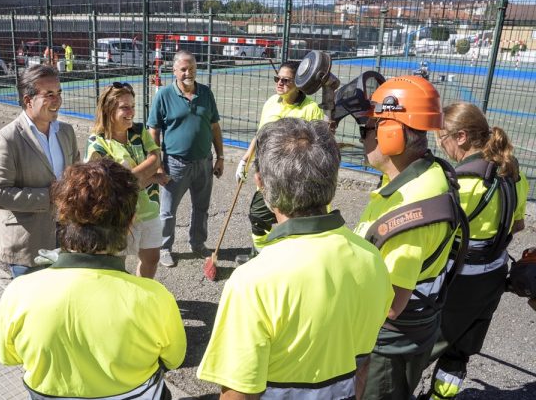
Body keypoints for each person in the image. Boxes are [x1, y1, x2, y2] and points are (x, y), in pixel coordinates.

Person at [197, 118, 393, 398]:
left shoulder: (252, 282)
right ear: (332, 181)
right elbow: (364, 364)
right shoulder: (372, 259)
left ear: (261, 184)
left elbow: (238, 392)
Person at [0, 159, 187, 399]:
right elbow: (173, 358)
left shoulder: (18, 293)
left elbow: (9, 357)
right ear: (130, 222)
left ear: (63, 215)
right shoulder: (154, 298)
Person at [353, 75, 468, 399]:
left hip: (387, 346)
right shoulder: (424, 174)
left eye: (368, 129)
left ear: (390, 136)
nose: (363, 138)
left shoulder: (413, 208)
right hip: (408, 332)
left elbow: (389, 306)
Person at [425, 102, 530, 400]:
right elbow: (518, 224)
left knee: (421, 344)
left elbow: (434, 236)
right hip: (494, 278)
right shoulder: (513, 174)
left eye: (442, 137)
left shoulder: (458, 184)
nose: (440, 145)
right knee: (459, 351)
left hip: (457, 282)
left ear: (460, 138)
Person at [0, 64, 80, 278]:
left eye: (59, 93)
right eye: (49, 95)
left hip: (66, 238)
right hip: (28, 245)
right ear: (28, 100)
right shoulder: (7, 139)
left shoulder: (66, 132)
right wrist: (49, 196)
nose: (57, 100)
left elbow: (75, 173)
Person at [235, 60, 324, 254]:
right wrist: (245, 160)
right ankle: (259, 254)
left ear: (298, 83)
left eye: (286, 80)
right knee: (258, 215)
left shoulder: (311, 109)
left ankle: (288, 258)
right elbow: (259, 135)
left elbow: (317, 148)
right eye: (277, 78)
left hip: (295, 179)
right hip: (268, 175)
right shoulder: (270, 102)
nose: (279, 83)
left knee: (294, 221)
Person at [147, 50, 224, 267]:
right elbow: (153, 130)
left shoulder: (206, 94)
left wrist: (220, 157)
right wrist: (158, 164)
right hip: (175, 164)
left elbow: (214, 126)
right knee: (168, 211)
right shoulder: (163, 95)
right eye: (183, 69)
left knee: (201, 208)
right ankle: (164, 248)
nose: (188, 72)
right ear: (174, 71)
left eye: (191, 68)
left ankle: (198, 243)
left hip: (204, 162)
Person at [85, 82, 168, 278]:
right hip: (119, 216)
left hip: (148, 210)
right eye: (124, 107)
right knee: (116, 263)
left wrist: (135, 178)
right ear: (108, 109)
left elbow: (156, 157)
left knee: (152, 258)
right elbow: (114, 186)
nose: (131, 111)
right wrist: (151, 177)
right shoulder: (97, 143)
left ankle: (141, 291)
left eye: (133, 106)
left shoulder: (138, 131)